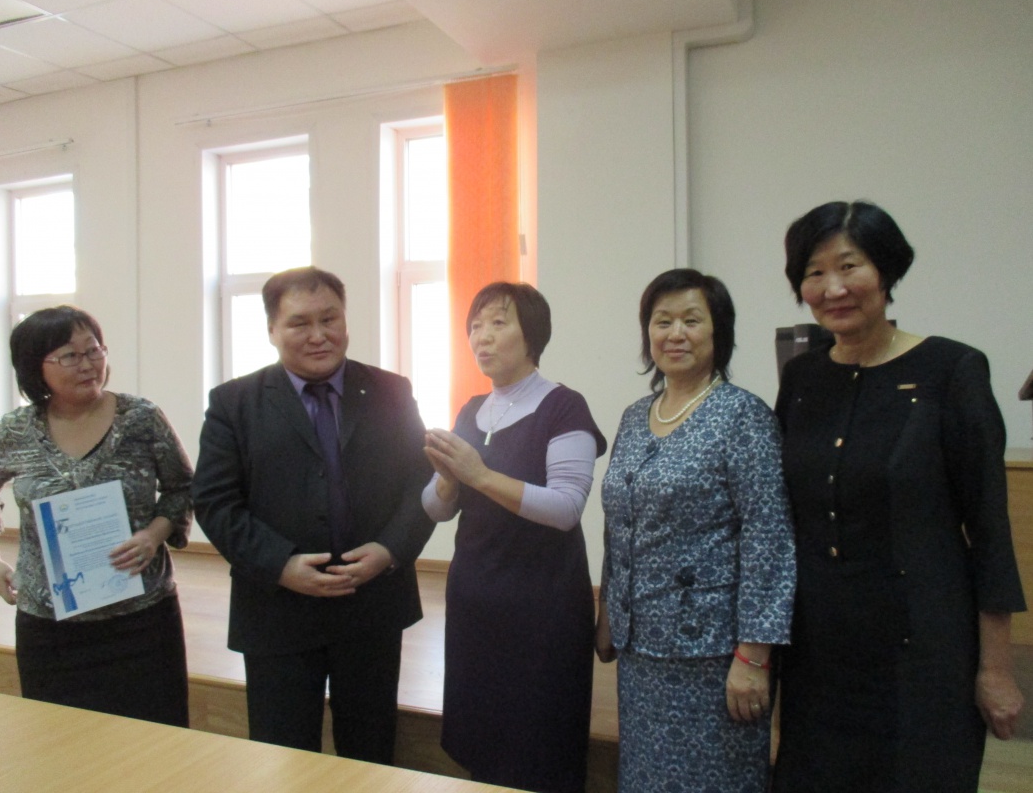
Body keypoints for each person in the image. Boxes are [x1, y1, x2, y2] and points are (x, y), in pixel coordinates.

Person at [772, 200, 1026, 792]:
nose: (833, 288)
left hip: (921, 653)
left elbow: (990, 531)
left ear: (886, 270)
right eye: (814, 272)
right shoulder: (803, 379)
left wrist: (996, 669)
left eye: (849, 266)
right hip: (818, 652)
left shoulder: (952, 370)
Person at [192, 266, 435, 762]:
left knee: (369, 753)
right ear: (271, 330)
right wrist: (279, 564)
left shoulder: (391, 391)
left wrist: (390, 550)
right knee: (283, 755)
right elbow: (214, 501)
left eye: (330, 319)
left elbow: (421, 483)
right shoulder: (234, 403)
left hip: (371, 605)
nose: (319, 335)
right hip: (277, 610)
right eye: (300, 323)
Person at [595, 269, 796, 793]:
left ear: (718, 331)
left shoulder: (743, 416)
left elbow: (768, 536)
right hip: (640, 649)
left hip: (713, 653)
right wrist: (608, 612)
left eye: (691, 320)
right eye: (662, 321)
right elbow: (620, 522)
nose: (675, 334)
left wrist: (754, 655)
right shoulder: (634, 417)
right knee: (646, 777)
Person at [0, 306, 192, 726]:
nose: (88, 364)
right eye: (70, 355)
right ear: (35, 366)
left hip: (141, 618)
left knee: (155, 743)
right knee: (60, 742)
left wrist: (154, 534)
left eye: (94, 350)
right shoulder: (16, 431)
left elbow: (182, 487)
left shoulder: (141, 418)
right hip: (50, 627)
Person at [421, 282, 607, 793]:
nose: (482, 336)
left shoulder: (564, 406)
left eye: (498, 323)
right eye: (475, 326)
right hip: (475, 600)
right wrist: (448, 478)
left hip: (541, 607)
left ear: (532, 335)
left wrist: (478, 475)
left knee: (538, 741)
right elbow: (435, 509)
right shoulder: (471, 409)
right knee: (483, 738)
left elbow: (566, 508)